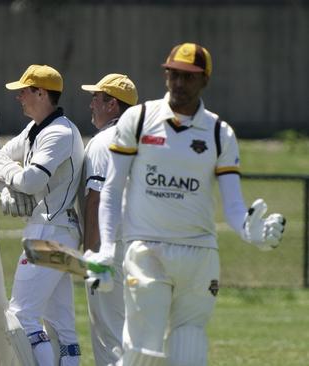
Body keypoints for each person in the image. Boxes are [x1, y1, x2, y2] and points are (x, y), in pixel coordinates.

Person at [94, 43, 286, 365]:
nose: (180, 84)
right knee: (143, 350)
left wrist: (251, 233)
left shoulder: (218, 132)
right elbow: (112, 190)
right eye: (174, 75)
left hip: (199, 255)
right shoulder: (139, 118)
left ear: (205, 80)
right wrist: (107, 248)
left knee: (189, 350)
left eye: (189, 77)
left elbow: (235, 206)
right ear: (166, 75)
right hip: (146, 249)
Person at [0, 63, 85, 365]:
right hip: (59, 231)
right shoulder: (35, 128)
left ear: (41, 93)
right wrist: (6, 188)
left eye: (24, 91)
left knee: (21, 316)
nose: (19, 97)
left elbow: (31, 181)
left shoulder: (58, 133)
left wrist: (8, 176)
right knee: (61, 325)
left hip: (50, 232)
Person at [79, 73, 138, 366]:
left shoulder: (104, 142)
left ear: (112, 104)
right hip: (145, 251)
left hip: (110, 252)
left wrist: (90, 256)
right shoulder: (146, 142)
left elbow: (96, 201)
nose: (91, 105)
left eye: (96, 98)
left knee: (109, 336)